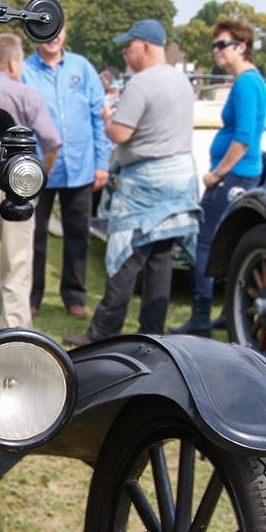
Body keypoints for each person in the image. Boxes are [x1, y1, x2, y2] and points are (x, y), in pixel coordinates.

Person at [74, 19, 200, 345]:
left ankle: (102, 333)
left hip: (145, 185)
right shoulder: (182, 81)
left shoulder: (142, 84)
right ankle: (152, 335)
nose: (125, 52)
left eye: (128, 46)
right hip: (179, 181)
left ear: (145, 46)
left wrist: (107, 119)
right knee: (160, 260)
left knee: (126, 257)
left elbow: (121, 133)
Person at [171, 18, 266, 335]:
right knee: (229, 245)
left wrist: (216, 174)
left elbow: (242, 139)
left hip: (232, 178)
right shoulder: (251, 82)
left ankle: (201, 315)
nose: (216, 51)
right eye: (215, 45)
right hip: (242, 176)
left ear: (241, 47)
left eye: (222, 44)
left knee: (205, 245)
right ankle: (228, 310)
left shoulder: (244, 83)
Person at [22, 24, 110, 320]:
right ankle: (31, 296)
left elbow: (99, 117)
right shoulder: (24, 70)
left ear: (66, 32)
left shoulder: (82, 68)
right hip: (38, 171)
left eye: (59, 29)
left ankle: (74, 296)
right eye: (48, 31)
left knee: (78, 235)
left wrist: (102, 163)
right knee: (34, 236)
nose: (54, 36)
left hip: (81, 168)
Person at [0, 33, 60, 328]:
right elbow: (51, 141)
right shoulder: (26, 94)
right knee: (17, 265)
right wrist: (34, 184)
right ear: (14, 62)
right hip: (13, 188)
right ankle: (15, 331)